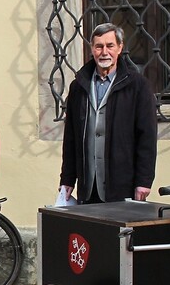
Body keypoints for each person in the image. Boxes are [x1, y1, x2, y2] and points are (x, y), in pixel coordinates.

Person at [59, 22, 158, 204]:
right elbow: (70, 138)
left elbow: (147, 137)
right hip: (88, 186)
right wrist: (67, 179)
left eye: (110, 46)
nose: (104, 52)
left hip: (122, 185)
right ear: (92, 49)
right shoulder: (79, 86)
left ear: (119, 48)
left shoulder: (137, 85)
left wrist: (144, 181)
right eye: (99, 46)